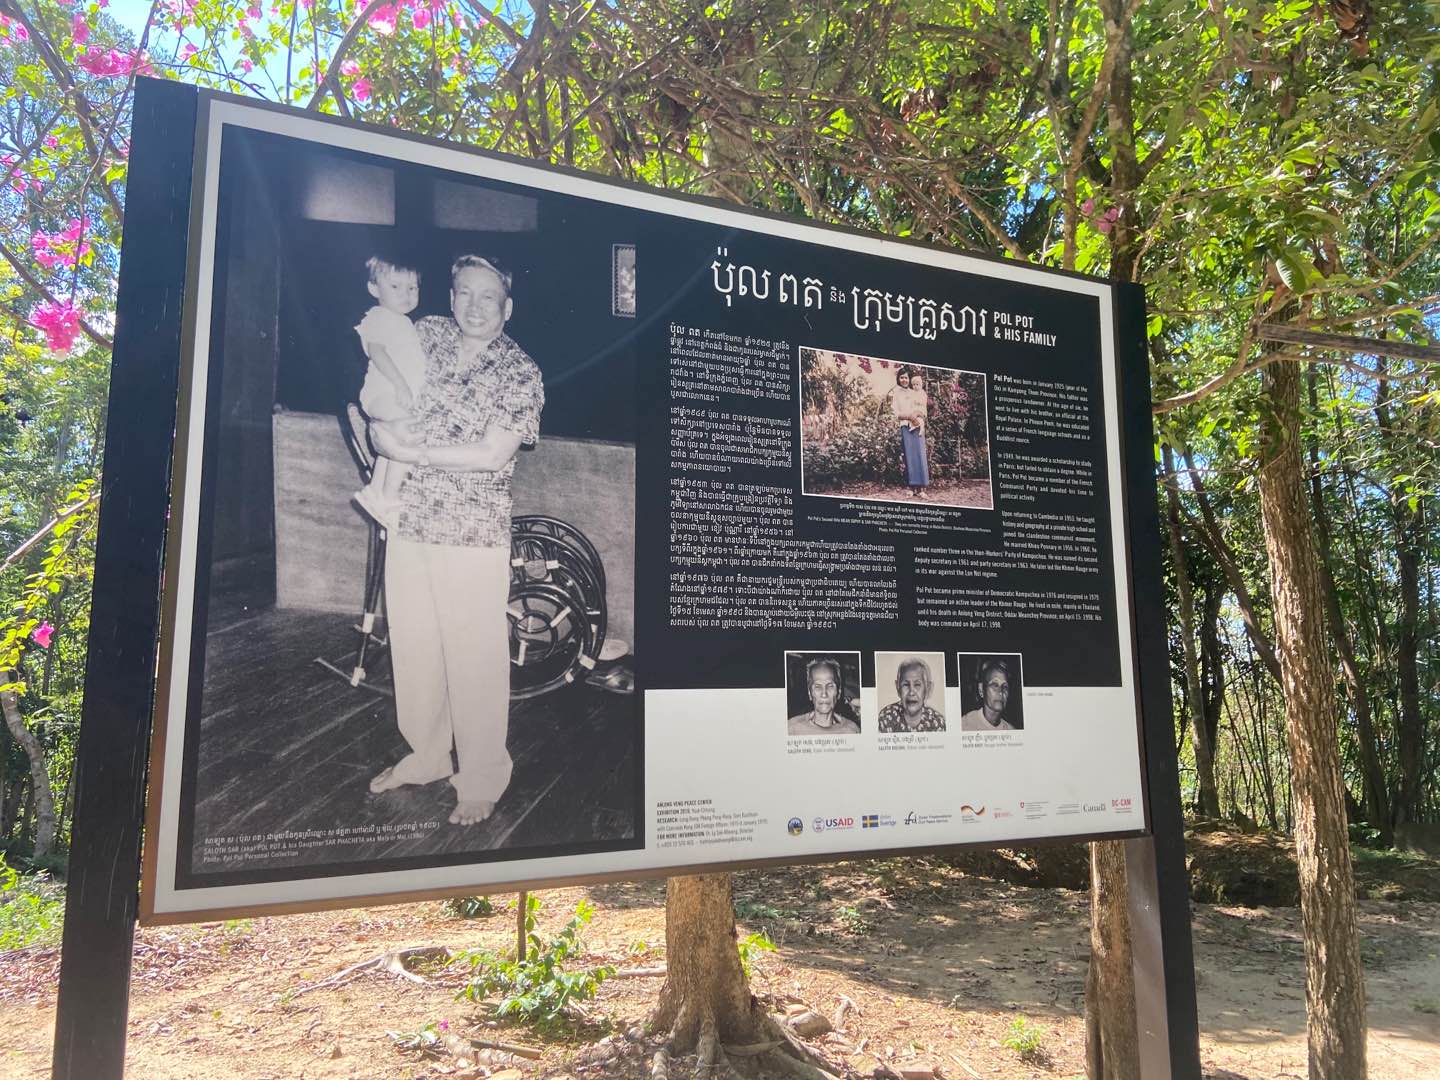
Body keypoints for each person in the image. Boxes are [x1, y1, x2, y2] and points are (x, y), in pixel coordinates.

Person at [366, 255, 544, 826]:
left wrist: (409, 452)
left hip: (472, 531)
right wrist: (378, 427)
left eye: (487, 297)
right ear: (450, 296)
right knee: (415, 648)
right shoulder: (427, 334)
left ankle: (483, 775)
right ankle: (426, 755)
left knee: (474, 658)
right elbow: (382, 383)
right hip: (410, 518)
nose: (473, 305)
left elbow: (493, 454)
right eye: (464, 292)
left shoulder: (521, 372)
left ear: (508, 308)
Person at [353, 256, 426, 526]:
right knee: (408, 435)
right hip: (383, 393)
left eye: (413, 288)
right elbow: (377, 352)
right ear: (374, 289)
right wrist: (400, 385)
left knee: (392, 442)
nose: (405, 295)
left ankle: (375, 491)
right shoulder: (379, 316)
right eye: (395, 287)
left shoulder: (404, 322)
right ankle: (390, 496)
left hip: (393, 395)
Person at [787, 657, 861, 735]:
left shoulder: (852, 730)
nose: (824, 694)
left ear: (839, 692)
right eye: (818, 687)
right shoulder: (792, 729)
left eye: (830, 686)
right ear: (810, 693)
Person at [877, 657, 945, 732]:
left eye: (917, 685)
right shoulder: (886, 717)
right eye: (906, 685)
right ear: (898, 687)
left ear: (927, 689)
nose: (911, 692)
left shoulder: (937, 722)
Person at [891, 367, 930, 498]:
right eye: (901, 377)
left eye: (906, 377)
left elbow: (923, 408)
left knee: (920, 455)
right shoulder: (896, 394)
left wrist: (917, 416)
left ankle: (922, 488)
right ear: (899, 379)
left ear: (909, 379)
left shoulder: (916, 391)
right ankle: (912, 487)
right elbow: (895, 412)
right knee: (909, 456)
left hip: (917, 425)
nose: (904, 380)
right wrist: (909, 416)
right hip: (905, 426)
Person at [960, 658, 1019, 731]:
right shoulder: (964, 725)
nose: (1001, 691)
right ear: (981, 690)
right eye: (995, 685)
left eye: (1005, 686)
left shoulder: (1012, 731)